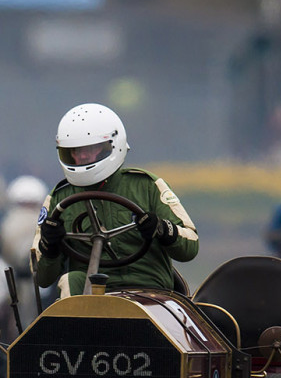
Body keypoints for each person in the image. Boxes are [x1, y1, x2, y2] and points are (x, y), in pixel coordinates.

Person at [31, 103, 198, 296]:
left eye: (90, 148)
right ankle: (76, 326)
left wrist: (161, 228)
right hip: (91, 295)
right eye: (75, 151)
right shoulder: (58, 198)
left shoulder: (146, 185)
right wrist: (49, 245)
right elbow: (42, 279)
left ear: (112, 145)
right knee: (69, 280)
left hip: (151, 291)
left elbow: (191, 246)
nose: (82, 156)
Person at [0, 175, 49, 274]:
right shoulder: (9, 222)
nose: (27, 209)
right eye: (23, 204)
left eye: (31, 204)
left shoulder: (42, 222)